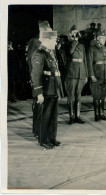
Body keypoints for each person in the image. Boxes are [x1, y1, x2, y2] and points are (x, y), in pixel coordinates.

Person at [30, 20, 62, 149]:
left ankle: (51, 138)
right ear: (47, 41)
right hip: (46, 90)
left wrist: (58, 91)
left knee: (53, 116)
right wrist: (39, 93)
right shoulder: (39, 53)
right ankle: (43, 140)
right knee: (46, 116)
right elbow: (35, 75)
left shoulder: (51, 53)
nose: (55, 42)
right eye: (54, 40)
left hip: (53, 89)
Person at [65, 25, 88, 125]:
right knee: (71, 96)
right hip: (71, 73)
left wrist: (86, 74)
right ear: (70, 34)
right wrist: (74, 41)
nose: (76, 35)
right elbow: (69, 53)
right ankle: (71, 117)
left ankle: (77, 116)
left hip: (81, 73)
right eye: (74, 33)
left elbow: (85, 61)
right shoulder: (67, 44)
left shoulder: (82, 46)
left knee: (78, 96)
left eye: (77, 33)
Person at [87, 30, 106, 121]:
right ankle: (96, 114)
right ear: (97, 39)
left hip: (105, 76)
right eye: (102, 38)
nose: (104, 40)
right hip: (96, 76)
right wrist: (91, 75)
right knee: (96, 96)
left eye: (104, 38)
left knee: (103, 96)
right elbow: (89, 63)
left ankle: (102, 113)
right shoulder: (92, 49)